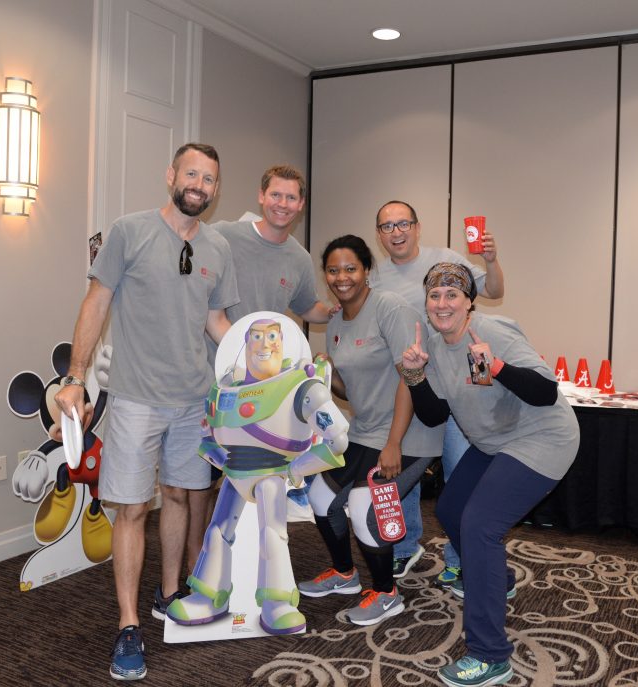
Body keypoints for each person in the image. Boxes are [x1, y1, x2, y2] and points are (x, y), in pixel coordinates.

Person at [54, 143, 238, 681]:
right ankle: (129, 624)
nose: (199, 185)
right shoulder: (129, 232)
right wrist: (75, 377)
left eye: (209, 178)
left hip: (193, 398)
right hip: (136, 398)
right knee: (132, 509)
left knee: (180, 497)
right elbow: (96, 301)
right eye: (191, 174)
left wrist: (257, 363)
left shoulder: (218, 247)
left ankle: (170, 592)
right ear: (171, 175)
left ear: (216, 188)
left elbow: (217, 322)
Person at [400, 262, 578, 687]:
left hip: (542, 438)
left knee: (479, 525)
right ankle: (498, 579)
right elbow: (435, 414)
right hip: (494, 442)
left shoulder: (493, 331)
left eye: (452, 295)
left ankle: (491, 656)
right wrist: (415, 377)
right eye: (434, 296)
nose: (442, 303)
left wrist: (495, 366)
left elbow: (545, 392)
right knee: (451, 509)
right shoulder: (434, 346)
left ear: (469, 302)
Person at [166, 315, 349, 634]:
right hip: (235, 472)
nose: (265, 344)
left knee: (273, 535)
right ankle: (209, 596)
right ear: (245, 342)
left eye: (272, 337)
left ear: (284, 342)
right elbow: (207, 438)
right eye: (257, 337)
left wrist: (297, 468)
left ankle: (278, 603)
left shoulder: (301, 386)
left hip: (272, 473)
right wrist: (223, 461)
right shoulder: (225, 387)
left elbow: (338, 440)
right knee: (217, 533)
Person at [297, 235, 441, 626]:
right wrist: (327, 375)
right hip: (364, 431)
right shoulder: (336, 322)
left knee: (364, 506)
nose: (341, 277)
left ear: (366, 270)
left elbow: (410, 377)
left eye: (350, 268)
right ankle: (345, 574)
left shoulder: (390, 309)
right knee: (320, 496)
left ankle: (386, 593)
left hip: (408, 435)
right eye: (333, 270)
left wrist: (394, 444)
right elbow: (352, 391)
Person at [370, 200, 504, 584]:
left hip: (458, 381)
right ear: (379, 234)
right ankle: (404, 547)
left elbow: (493, 290)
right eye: (387, 226)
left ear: (417, 226)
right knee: (405, 466)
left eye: (403, 223)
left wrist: (491, 259)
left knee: (460, 472)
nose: (396, 232)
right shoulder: (374, 276)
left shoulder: (445, 260)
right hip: (413, 384)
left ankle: (461, 556)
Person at [210, 164, 334, 519]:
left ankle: (242, 552)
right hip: (214, 377)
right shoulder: (223, 236)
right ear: (261, 196)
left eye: (291, 197)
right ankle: (197, 552)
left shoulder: (299, 258)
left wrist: (339, 310)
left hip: (261, 386)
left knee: (253, 473)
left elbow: (307, 306)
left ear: (301, 204)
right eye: (275, 194)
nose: (282, 203)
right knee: (205, 478)